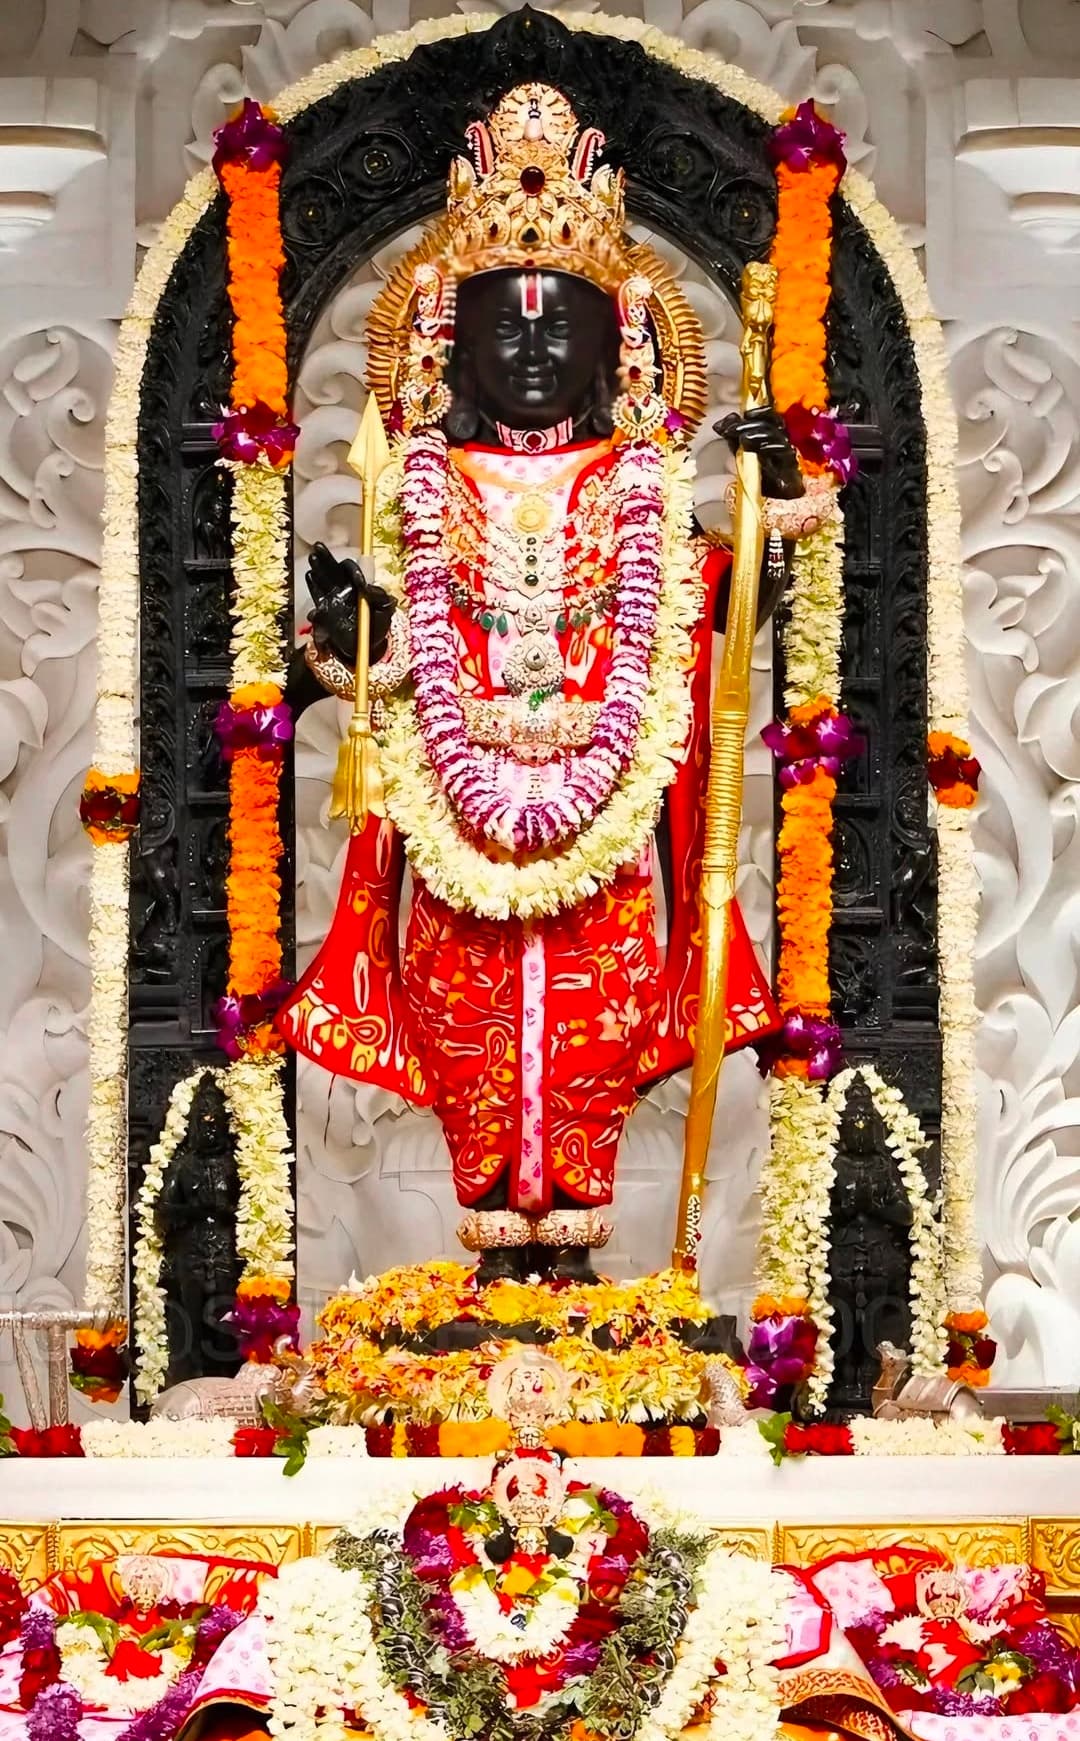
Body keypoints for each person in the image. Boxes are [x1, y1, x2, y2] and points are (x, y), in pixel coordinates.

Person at [278, 82, 805, 1285]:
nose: (529, 346)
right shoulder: (421, 485)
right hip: (455, 832)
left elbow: (712, 621)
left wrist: (771, 523)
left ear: (616, 342)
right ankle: (493, 1279)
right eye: (501, 325)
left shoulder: (646, 495)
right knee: (469, 1040)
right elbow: (381, 668)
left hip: (604, 831)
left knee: (591, 1041)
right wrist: (355, 638)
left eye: (559, 322)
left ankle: (579, 1289)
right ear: (446, 343)